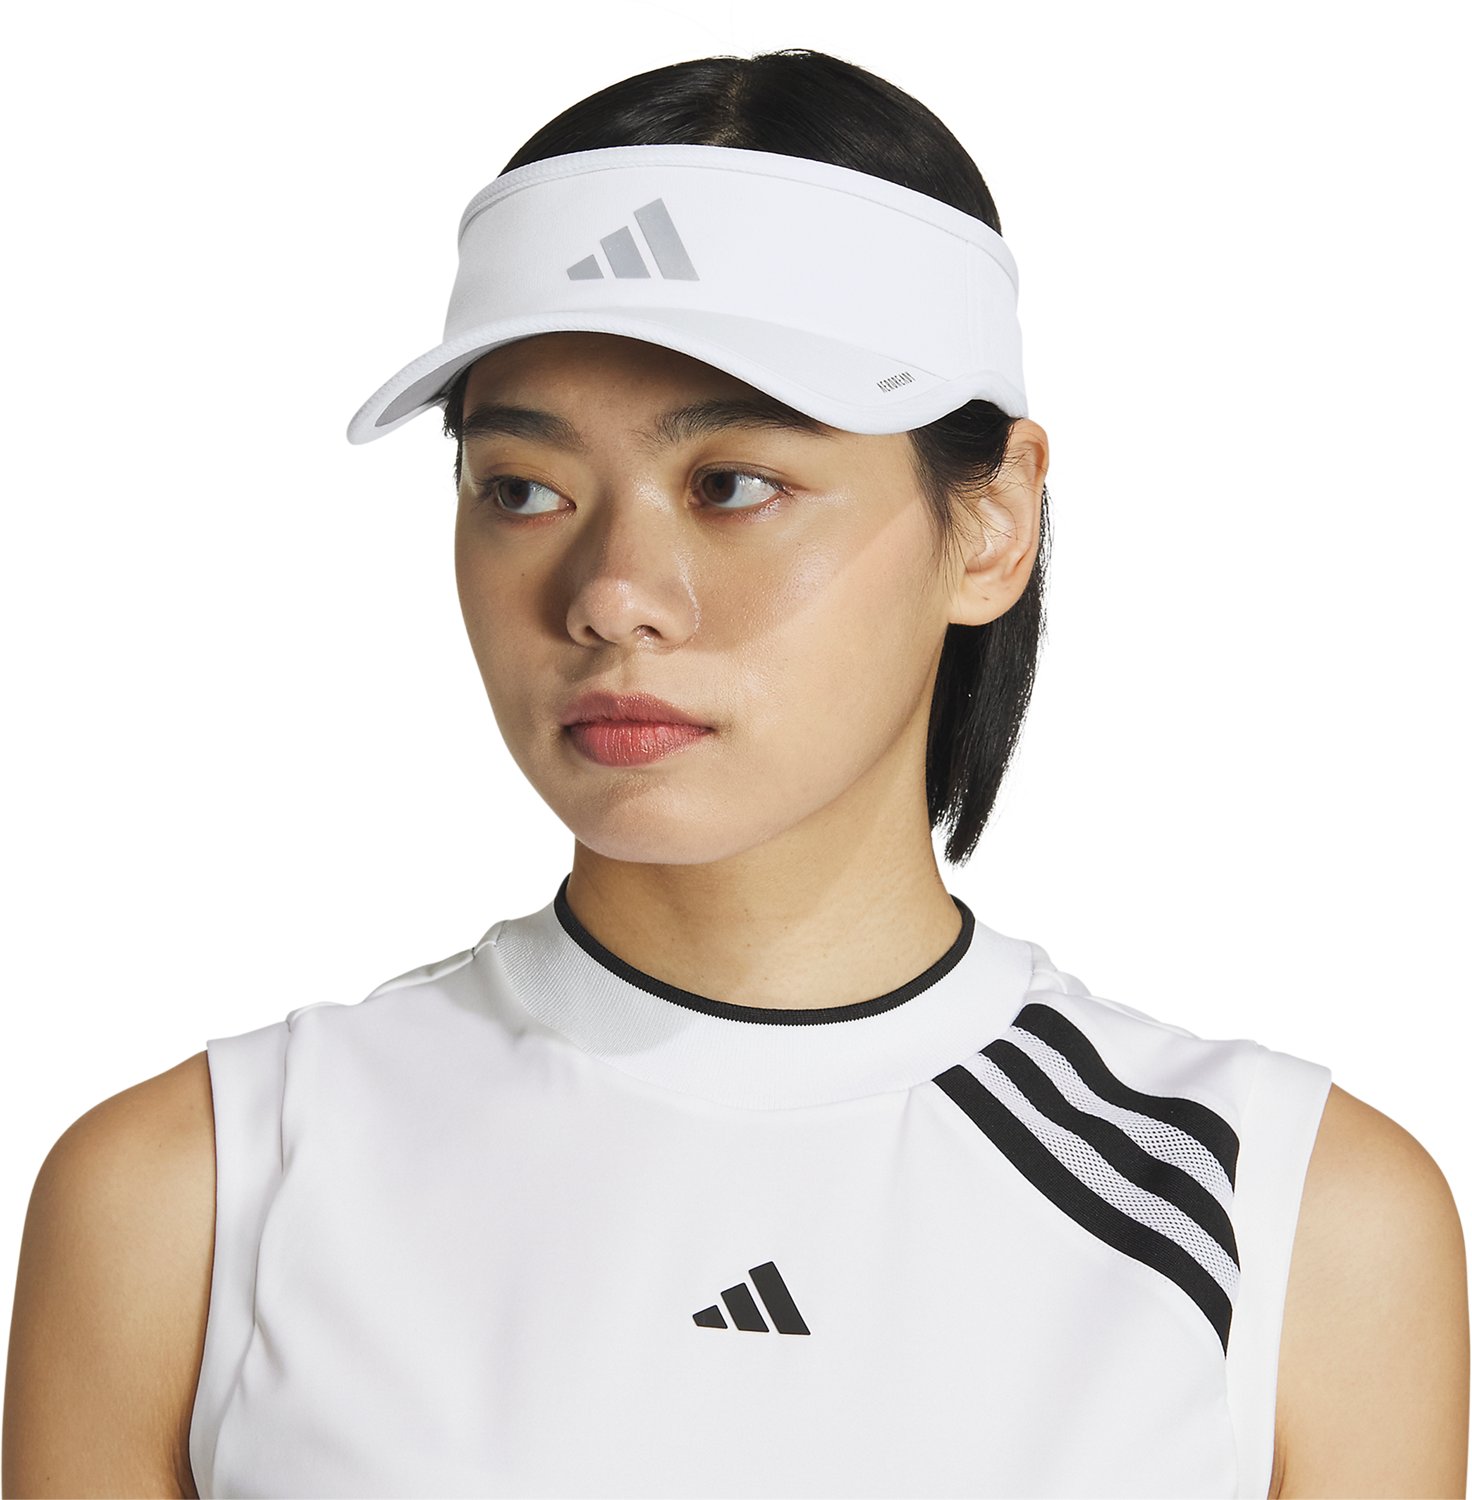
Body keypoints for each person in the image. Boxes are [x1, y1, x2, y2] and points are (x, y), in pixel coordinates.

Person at [4, 45, 1466, 1500]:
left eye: (734, 485)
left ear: (992, 524)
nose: (611, 596)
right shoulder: (198, 1200)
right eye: (523, 489)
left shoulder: (1293, 1229)